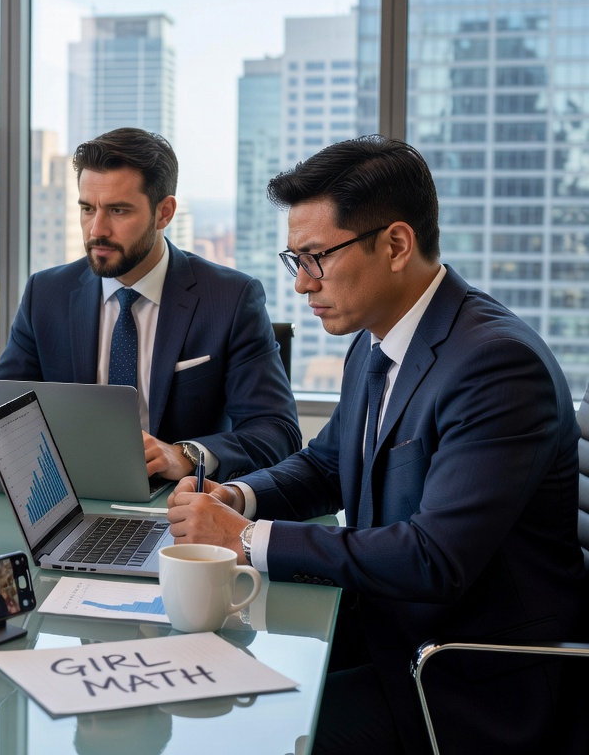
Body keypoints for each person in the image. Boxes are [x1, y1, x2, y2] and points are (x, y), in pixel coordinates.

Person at [166, 136, 585, 754]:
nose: (302, 285)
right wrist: (238, 497)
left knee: (246, 736)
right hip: (384, 636)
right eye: (295, 260)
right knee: (200, 685)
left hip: (461, 681)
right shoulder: (376, 342)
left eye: (316, 258)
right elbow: (326, 465)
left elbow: (432, 557)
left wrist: (247, 539)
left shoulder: (496, 365)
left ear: (395, 245)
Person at [0, 127, 300, 482]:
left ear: (164, 213)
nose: (96, 230)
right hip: (70, 494)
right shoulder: (46, 294)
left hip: (178, 501)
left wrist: (185, 455)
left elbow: (277, 431)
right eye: (87, 209)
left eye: (118, 210)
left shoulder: (230, 299)